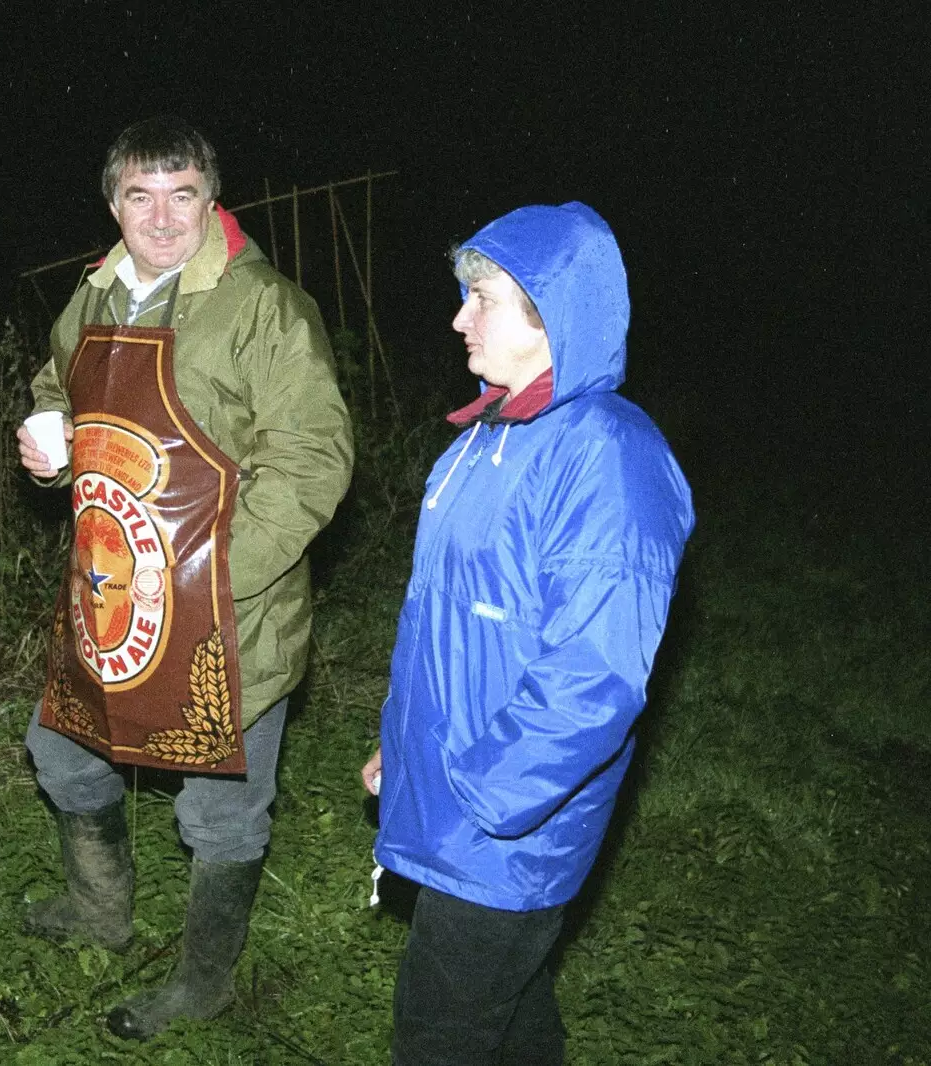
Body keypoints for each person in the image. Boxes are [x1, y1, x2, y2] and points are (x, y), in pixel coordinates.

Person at [16, 115, 353, 1040]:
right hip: (111, 598)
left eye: (182, 196)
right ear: (113, 205)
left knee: (222, 813)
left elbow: (315, 459)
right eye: (139, 196)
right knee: (60, 750)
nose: (162, 219)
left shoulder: (263, 308)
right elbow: (60, 388)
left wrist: (212, 581)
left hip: (226, 613)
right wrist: (48, 442)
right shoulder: (94, 298)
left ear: (212, 199)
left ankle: (202, 982)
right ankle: (101, 910)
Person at [360, 202, 693, 1064]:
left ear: (555, 315)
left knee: (438, 1034)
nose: (458, 316)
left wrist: (480, 792)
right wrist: (405, 742)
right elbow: (446, 623)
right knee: (510, 1020)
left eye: (484, 298)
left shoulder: (607, 456)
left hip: (511, 821)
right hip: (462, 791)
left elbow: (597, 675)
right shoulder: (482, 440)